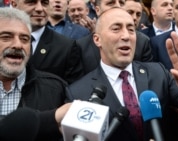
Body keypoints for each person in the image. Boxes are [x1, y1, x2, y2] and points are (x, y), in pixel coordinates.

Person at [66, 7, 178, 141]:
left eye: (131, 29)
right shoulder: (78, 92)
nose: (126, 36)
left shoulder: (158, 73)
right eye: (116, 28)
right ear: (97, 39)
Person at [0, 7, 71, 141]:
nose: (18, 45)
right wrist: (50, 119)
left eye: (25, 39)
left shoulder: (56, 89)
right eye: (6, 37)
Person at [11, 0, 85, 84]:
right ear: (14, 5)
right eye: (31, 2)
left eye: (44, 3)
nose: (40, 8)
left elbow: (73, 90)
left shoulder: (66, 47)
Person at [77, 0, 153, 76]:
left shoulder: (142, 42)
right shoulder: (81, 47)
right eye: (111, 3)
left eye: (122, 3)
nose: (118, 6)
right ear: (97, 10)